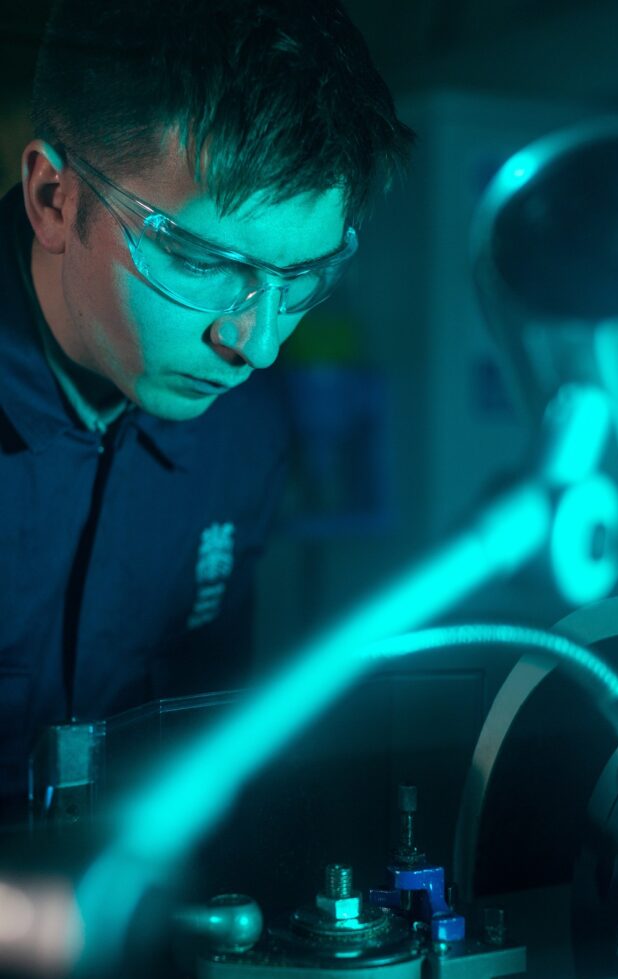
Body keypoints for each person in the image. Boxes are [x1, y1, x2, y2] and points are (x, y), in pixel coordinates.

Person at [0, 0, 414, 821]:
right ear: (53, 197)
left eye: (299, 282)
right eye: (201, 263)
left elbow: (197, 747)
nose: (255, 345)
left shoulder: (242, 428)